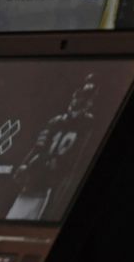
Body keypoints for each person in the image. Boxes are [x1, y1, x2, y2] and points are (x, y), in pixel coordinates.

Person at [6, 74, 98, 220]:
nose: (77, 99)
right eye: (77, 96)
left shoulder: (87, 124)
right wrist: (25, 165)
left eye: (83, 97)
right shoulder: (56, 122)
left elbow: (79, 157)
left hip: (54, 181)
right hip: (37, 179)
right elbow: (39, 146)